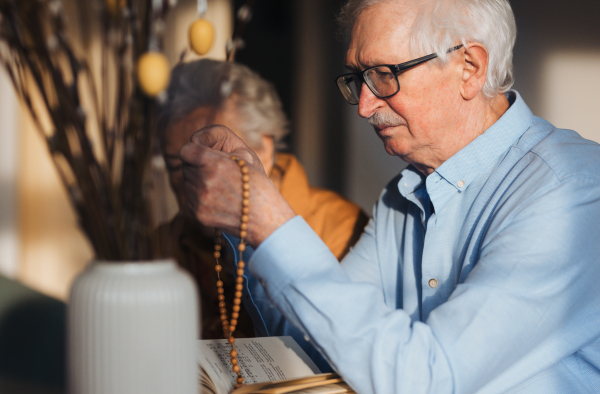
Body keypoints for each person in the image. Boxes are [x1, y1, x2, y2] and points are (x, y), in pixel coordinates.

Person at [179, 0, 600, 392]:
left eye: (384, 75)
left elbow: (427, 379)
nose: (364, 106)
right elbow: (315, 346)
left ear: (469, 67)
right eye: (359, 78)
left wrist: (270, 223)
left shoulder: (572, 191)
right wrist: (247, 215)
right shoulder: (401, 196)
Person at [156, 59, 369, 339]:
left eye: (215, 161)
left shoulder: (342, 231)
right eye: (177, 166)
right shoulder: (159, 249)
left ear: (264, 151)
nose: (197, 182)